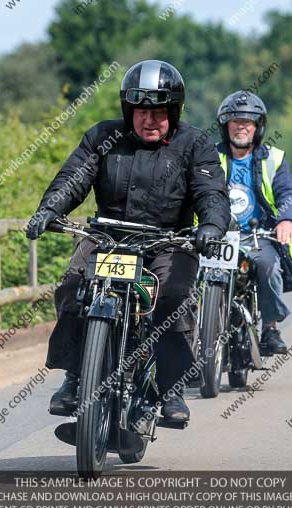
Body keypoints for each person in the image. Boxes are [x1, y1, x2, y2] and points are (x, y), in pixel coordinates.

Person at [26, 60, 230, 423]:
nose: (149, 120)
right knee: (74, 287)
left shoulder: (195, 143)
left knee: (172, 298)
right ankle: (76, 377)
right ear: (128, 110)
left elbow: (211, 191)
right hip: (108, 237)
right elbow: (74, 177)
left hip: (168, 241)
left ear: (174, 111)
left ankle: (170, 389)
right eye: (140, 111)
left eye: (158, 112)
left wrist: (212, 225)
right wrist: (49, 209)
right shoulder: (102, 136)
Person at [215, 91, 292, 355]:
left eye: (248, 122)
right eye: (235, 121)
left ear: (258, 127)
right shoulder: (210, 156)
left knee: (268, 266)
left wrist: (286, 220)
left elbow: (288, 193)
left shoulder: (273, 158)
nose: (241, 126)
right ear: (225, 125)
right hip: (218, 235)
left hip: (258, 236)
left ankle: (270, 329)